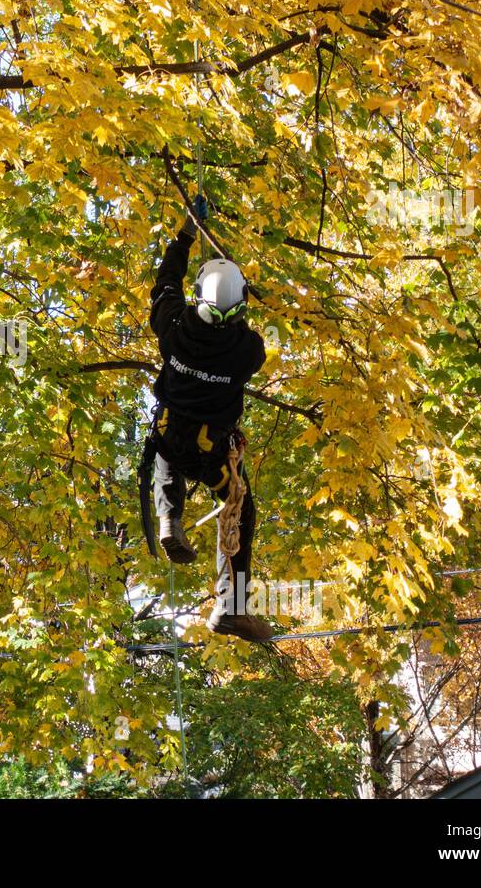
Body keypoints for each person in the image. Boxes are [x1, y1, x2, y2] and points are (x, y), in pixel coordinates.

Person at [149, 197, 271, 642]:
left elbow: (166, 283)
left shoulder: (172, 328)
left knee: (164, 457)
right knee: (241, 510)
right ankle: (231, 607)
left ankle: (170, 516)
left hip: (171, 435)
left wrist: (185, 234)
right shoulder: (246, 352)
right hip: (212, 451)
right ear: (238, 311)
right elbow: (246, 334)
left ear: (198, 300)